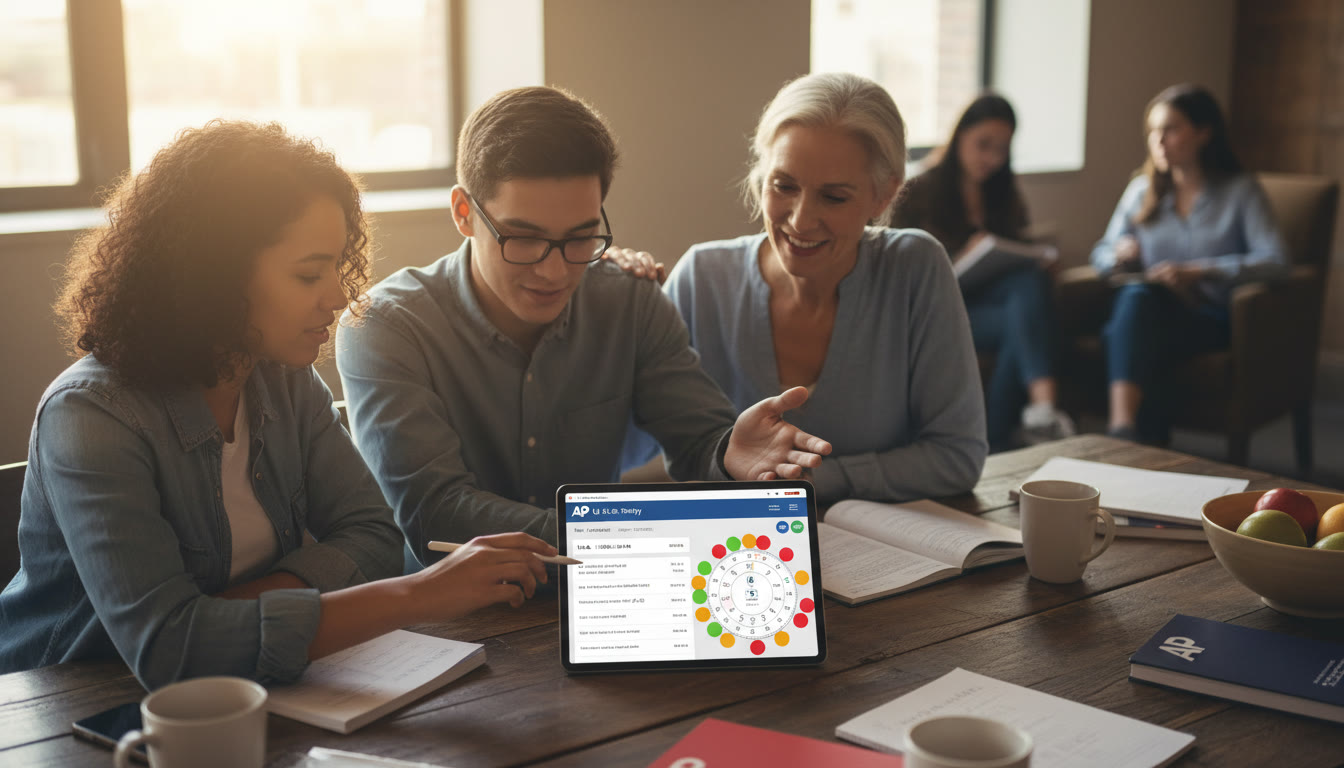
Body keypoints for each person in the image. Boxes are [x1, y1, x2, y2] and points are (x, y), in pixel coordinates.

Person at [0, 121, 555, 690]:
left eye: (337, 266)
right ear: (213, 275)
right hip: (66, 701)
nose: (338, 295)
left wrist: (220, 617)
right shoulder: (90, 415)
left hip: (249, 685)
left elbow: (374, 536)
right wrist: (420, 594)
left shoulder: (284, 381)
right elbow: (169, 651)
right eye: (308, 274)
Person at [335, 87, 831, 569]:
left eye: (580, 237)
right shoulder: (385, 326)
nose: (554, 272)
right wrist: (634, 538)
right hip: (453, 615)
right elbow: (438, 517)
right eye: (523, 239)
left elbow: (699, 444)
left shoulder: (631, 301)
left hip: (606, 597)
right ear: (464, 213)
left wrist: (727, 455)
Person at [618, 72, 986, 504]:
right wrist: (595, 298)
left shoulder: (915, 268)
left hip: (883, 542)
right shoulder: (703, 278)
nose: (800, 220)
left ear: (883, 195)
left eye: (833, 197)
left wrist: (806, 481)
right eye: (784, 186)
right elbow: (619, 448)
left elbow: (957, 456)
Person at [1090, 84, 1286, 444]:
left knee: (1126, 330)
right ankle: (1130, 433)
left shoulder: (1240, 191)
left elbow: (1275, 261)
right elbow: (1100, 253)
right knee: (1138, 305)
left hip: (1209, 317)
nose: (1158, 141)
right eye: (1153, 131)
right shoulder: (1141, 190)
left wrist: (1202, 271)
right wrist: (1119, 254)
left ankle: (1121, 436)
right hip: (1151, 310)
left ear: (1203, 132)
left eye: (1170, 129)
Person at [892, 94, 1074, 451]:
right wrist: (963, 257)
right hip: (942, 312)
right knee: (1025, 323)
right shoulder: (919, 191)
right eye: (983, 145)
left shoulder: (1003, 193)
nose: (991, 158)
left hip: (994, 309)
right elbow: (900, 267)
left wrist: (1037, 260)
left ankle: (1001, 439)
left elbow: (1019, 245)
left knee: (1027, 292)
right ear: (960, 135)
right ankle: (1039, 413)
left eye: (1001, 149)